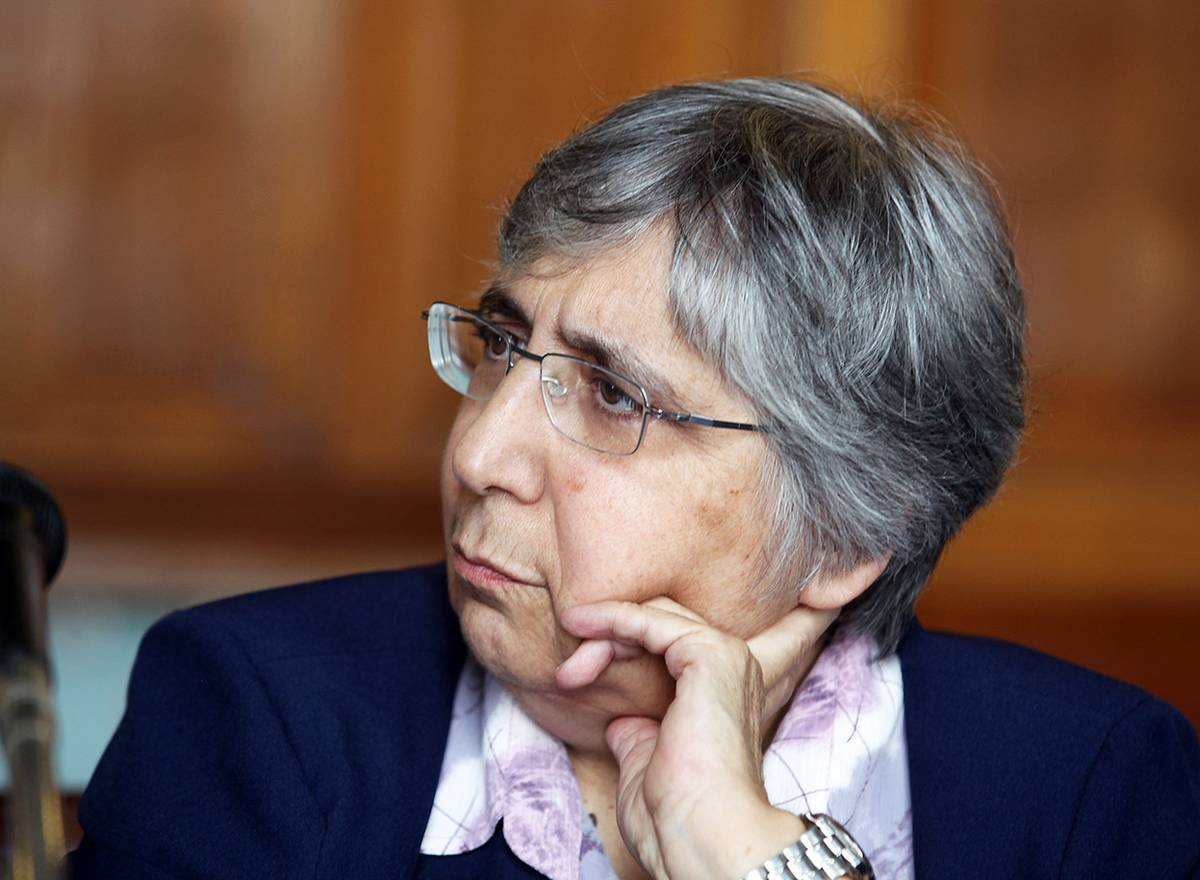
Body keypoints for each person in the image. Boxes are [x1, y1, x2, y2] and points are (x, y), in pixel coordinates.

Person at [69, 79, 1199, 880]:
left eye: (613, 394)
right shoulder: (257, 717)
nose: (477, 456)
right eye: (502, 346)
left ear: (848, 535)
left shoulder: (1089, 794)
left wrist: (749, 856)